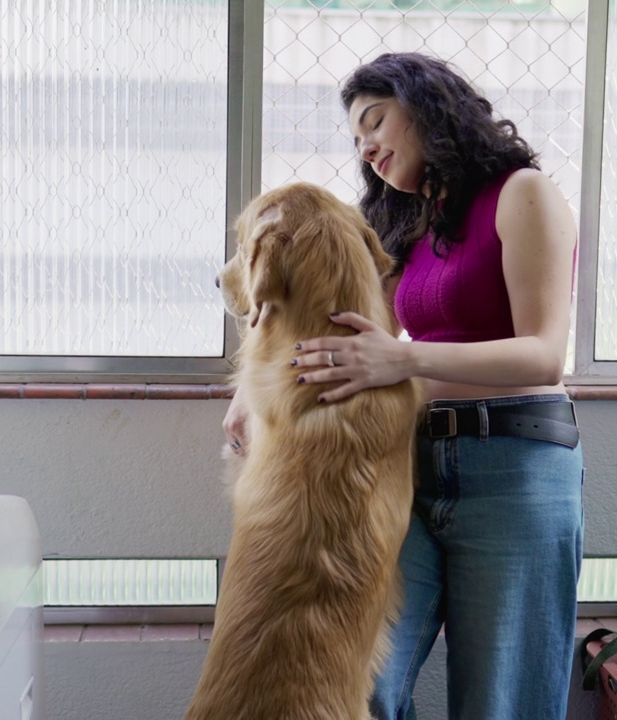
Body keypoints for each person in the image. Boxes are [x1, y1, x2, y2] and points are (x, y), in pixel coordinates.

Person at [222, 51, 583, 720]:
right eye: (357, 138)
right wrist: (254, 391)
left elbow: (544, 356)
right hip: (410, 470)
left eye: (375, 121)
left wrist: (409, 361)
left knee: (501, 701)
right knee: (357, 685)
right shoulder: (409, 224)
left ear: (426, 106)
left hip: (514, 465)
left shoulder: (522, 192)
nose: (365, 147)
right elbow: (344, 334)